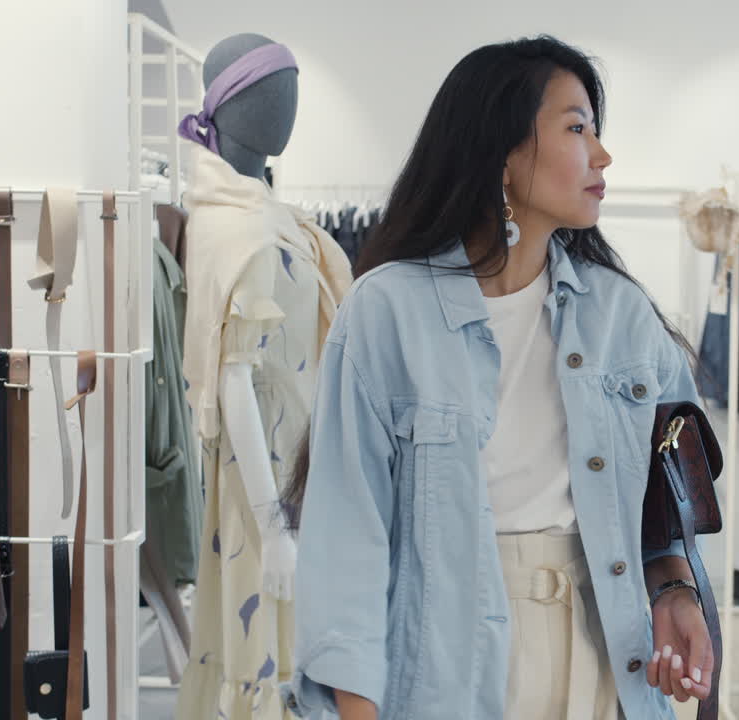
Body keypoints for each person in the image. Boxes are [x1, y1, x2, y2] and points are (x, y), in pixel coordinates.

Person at [281, 35, 714, 719]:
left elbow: (664, 507)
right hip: (443, 668)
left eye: (597, 132)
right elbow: (347, 544)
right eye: (576, 128)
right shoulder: (386, 311)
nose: (602, 156)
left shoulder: (622, 316)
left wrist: (675, 591)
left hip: (605, 656)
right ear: (504, 154)